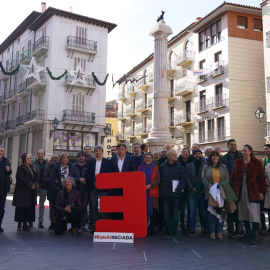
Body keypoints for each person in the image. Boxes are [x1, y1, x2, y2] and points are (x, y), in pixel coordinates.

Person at [230, 144, 266, 245]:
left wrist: (261, 192)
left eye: (245, 151)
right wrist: (232, 191)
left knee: (253, 212)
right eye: (242, 151)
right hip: (240, 190)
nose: (243, 153)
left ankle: (256, 234)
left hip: (253, 191)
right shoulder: (238, 162)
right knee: (243, 211)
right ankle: (248, 232)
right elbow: (233, 176)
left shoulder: (256, 163)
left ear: (250, 151)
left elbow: (261, 178)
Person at [202, 151, 230, 240]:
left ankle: (220, 232)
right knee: (211, 213)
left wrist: (221, 186)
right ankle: (212, 232)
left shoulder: (223, 167)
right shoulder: (206, 167)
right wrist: (212, 187)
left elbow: (227, 178)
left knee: (221, 212)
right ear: (210, 158)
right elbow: (203, 178)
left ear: (219, 158)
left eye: (217, 156)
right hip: (211, 193)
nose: (215, 158)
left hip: (221, 192)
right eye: (213, 156)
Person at [159, 150, 186, 236]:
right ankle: (167, 229)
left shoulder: (180, 167)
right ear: (168, 156)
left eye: (175, 154)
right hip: (165, 194)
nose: (175, 156)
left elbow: (183, 180)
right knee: (166, 213)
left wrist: (178, 189)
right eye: (173, 155)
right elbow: (160, 179)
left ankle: (174, 230)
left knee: (175, 213)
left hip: (176, 194)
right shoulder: (162, 166)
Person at [86, 146, 112, 232]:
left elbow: (108, 174)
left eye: (99, 151)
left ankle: (104, 224)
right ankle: (96, 225)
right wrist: (94, 181)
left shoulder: (107, 162)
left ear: (102, 152)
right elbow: (88, 173)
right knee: (93, 206)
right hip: (93, 186)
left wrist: (102, 182)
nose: (98, 152)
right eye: (96, 151)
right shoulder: (91, 162)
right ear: (94, 152)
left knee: (104, 206)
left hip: (104, 187)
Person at [221, 139, 243, 237]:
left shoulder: (241, 156)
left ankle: (239, 229)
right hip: (228, 186)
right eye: (232, 145)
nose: (234, 146)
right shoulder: (224, 158)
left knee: (239, 208)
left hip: (239, 186)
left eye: (235, 144)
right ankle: (230, 229)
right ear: (228, 146)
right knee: (229, 208)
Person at [12, 153, 39, 231]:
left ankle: (25, 224)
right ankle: (19, 225)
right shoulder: (21, 168)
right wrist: (30, 185)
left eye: (30, 158)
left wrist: (35, 185)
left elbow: (37, 177)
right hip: (22, 192)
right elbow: (20, 178)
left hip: (31, 193)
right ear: (24, 159)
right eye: (28, 158)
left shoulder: (33, 168)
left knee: (28, 208)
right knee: (21, 208)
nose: (30, 160)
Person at [186, 149, 208, 237]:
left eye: (199, 154)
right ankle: (192, 228)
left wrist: (202, 188)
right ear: (193, 155)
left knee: (203, 211)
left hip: (202, 192)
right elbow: (186, 177)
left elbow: (206, 177)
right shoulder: (188, 165)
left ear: (201, 155)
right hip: (192, 192)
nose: (197, 155)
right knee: (192, 211)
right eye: (196, 154)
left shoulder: (205, 165)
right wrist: (192, 187)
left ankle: (205, 228)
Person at [138, 153, 160, 235]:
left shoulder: (155, 167)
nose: (148, 159)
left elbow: (158, 179)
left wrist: (150, 185)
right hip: (142, 192)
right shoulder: (139, 168)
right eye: (146, 158)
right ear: (144, 159)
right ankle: (144, 227)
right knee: (143, 211)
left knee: (153, 211)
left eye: (150, 158)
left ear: (152, 159)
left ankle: (153, 227)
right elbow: (137, 178)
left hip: (152, 192)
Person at [50, 153, 75, 218]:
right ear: (60, 159)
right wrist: (55, 186)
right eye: (63, 157)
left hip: (68, 189)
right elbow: (52, 179)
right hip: (58, 189)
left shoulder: (71, 166)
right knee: (55, 206)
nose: (65, 159)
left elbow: (75, 176)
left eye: (66, 157)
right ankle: (53, 223)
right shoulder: (56, 167)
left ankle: (65, 222)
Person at [70, 151, 88, 232]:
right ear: (77, 158)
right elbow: (71, 177)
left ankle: (83, 225)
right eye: (79, 156)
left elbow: (90, 176)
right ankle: (74, 225)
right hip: (75, 190)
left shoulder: (88, 165)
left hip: (85, 190)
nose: (81, 158)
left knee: (84, 208)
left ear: (85, 157)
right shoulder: (73, 166)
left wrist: (86, 180)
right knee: (74, 208)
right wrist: (79, 179)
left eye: (83, 156)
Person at [178, 147, 193, 233]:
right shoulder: (178, 161)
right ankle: (182, 225)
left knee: (190, 208)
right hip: (180, 187)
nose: (185, 153)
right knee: (182, 208)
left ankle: (189, 225)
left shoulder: (192, 161)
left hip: (189, 187)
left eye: (187, 152)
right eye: (184, 152)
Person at [32, 149, 48, 229]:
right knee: (32, 203)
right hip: (35, 186)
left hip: (44, 186)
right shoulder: (33, 163)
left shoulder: (47, 164)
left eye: (42, 153)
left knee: (41, 205)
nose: (40, 155)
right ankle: (30, 220)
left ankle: (40, 221)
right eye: (39, 153)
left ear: (44, 154)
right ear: (37, 154)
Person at [44, 154, 59, 230]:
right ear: (51, 159)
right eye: (53, 158)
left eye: (56, 158)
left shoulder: (61, 166)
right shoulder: (48, 167)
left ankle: (59, 222)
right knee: (52, 208)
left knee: (59, 207)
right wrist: (53, 180)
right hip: (51, 190)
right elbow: (45, 178)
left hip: (59, 191)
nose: (55, 159)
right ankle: (52, 222)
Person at [0, 145, 12, 232]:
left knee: (1, 208)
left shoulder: (6, 160)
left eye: (2, 151)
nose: (0, 152)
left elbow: (10, 172)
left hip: (3, 188)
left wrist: (9, 170)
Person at [261, 144, 270, 235]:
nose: (264, 150)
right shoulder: (264, 160)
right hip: (266, 188)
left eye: (266, 149)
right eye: (264, 149)